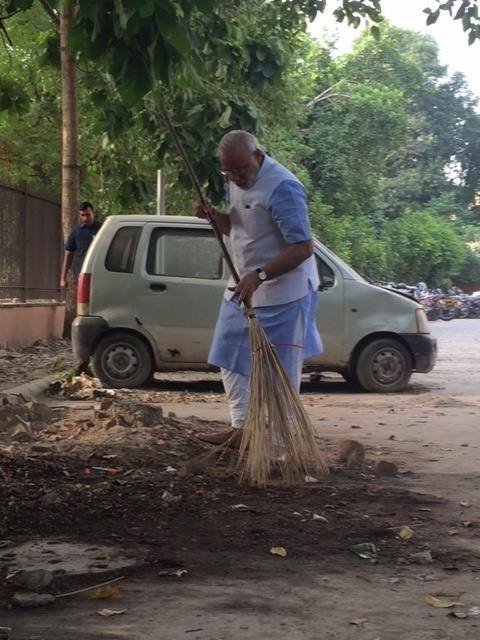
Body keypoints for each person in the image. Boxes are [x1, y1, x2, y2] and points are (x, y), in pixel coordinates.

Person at [194, 130, 322, 446]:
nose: (235, 177)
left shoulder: (284, 188)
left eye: (240, 169)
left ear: (257, 156)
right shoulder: (235, 180)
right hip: (243, 282)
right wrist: (214, 217)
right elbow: (237, 227)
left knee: (280, 369)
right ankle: (242, 429)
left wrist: (259, 276)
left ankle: (280, 444)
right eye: (228, 171)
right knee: (229, 353)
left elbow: (303, 247)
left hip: (284, 289)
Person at [60, 202, 101, 289]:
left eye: (88, 214)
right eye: (82, 215)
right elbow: (68, 255)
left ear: (93, 213)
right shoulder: (76, 232)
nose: (85, 218)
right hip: (82, 273)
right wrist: (63, 278)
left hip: (99, 272)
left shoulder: (102, 229)